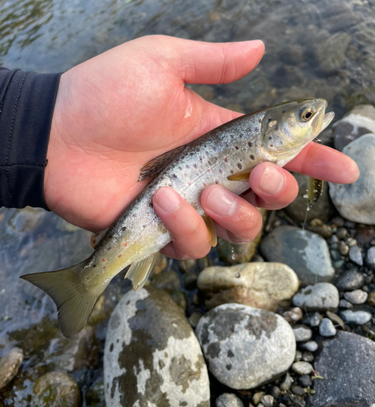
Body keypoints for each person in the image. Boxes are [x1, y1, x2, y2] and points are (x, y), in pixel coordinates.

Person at [0, 35, 359, 260]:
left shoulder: (263, 151)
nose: (314, 115)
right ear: (271, 131)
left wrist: (36, 127)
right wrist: (45, 124)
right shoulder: (260, 147)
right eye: (306, 115)